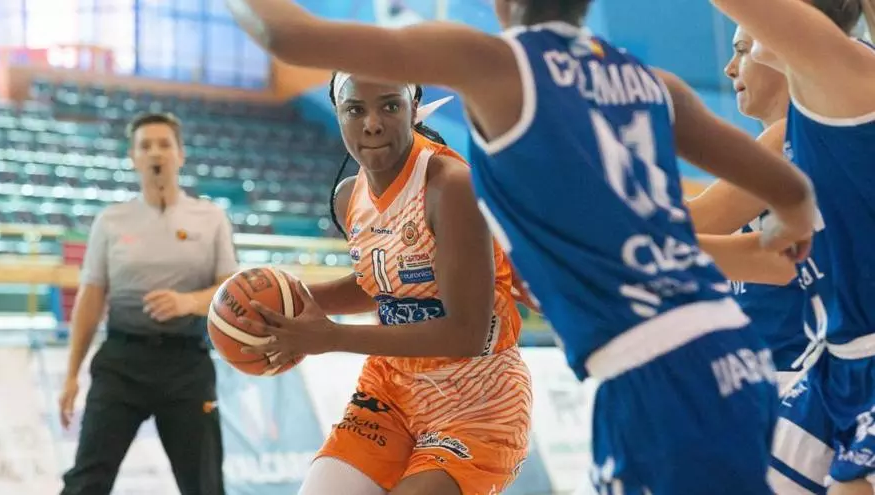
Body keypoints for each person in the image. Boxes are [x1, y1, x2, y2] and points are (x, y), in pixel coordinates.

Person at [226, 0, 817, 492]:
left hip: (648, 368)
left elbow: (287, 34)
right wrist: (784, 232)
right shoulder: (649, 82)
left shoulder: (496, 67)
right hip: (729, 352)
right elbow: (790, 190)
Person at [241, 73, 530, 495]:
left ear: (413, 109)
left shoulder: (451, 186)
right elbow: (381, 285)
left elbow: (466, 332)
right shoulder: (349, 196)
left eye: (390, 106)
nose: (372, 123)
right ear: (339, 115)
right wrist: (286, 302)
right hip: (390, 392)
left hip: (478, 401)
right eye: (355, 109)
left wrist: (331, 337)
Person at [709, 0, 875, 494]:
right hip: (836, 360)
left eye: (744, 44)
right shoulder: (805, 120)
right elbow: (781, 258)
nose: (732, 64)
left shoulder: (845, 73)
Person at [58, 112, 236, 495]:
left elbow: (230, 290)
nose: (156, 152)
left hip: (187, 365)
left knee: (205, 486)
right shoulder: (110, 221)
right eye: (145, 146)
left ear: (180, 154)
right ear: (133, 157)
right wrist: (72, 374)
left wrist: (188, 301)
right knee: (86, 481)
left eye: (164, 144)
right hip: (121, 363)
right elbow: (91, 296)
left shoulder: (211, 218)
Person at [688, 26, 832, 495]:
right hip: (781, 378)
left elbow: (693, 228)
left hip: (799, 378)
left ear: (783, 49)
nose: (730, 67)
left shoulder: (799, 132)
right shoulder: (800, 137)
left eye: (743, 50)